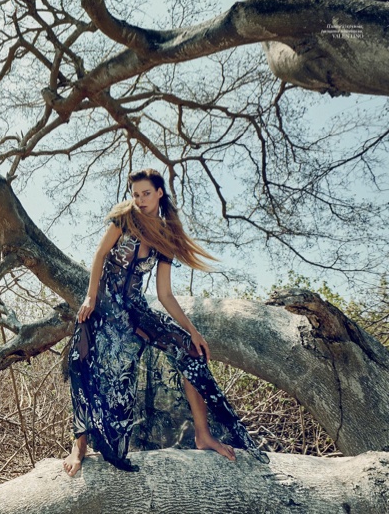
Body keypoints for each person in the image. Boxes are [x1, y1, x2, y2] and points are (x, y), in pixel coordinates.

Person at [62, 168, 270, 477]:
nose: (140, 199)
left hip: (135, 310)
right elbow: (99, 256)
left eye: (146, 193)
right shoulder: (124, 220)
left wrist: (193, 331)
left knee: (190, 351)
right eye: (135, 194)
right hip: (104, 308)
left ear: (160, 192)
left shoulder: (166, 238)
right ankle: (79, 447)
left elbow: (165, 293)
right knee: (89, 367)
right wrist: (90, 298)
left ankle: (203, 435)